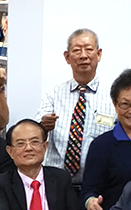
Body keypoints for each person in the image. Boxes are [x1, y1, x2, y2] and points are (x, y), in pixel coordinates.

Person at [37, 29, 116, 184]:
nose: (83, 56)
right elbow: (36, 134)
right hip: (57, 184)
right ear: (67, 57)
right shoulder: (53, 94)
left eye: (89, 49)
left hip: (99, 184)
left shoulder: (114, 95)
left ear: (98, 54)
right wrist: (43, 126)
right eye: (77, 50)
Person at [0, 119, 85, 210]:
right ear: (10, 152)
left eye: (34, 142)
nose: (28, 148)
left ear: (45, 146)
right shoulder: (0, 182)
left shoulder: (61, 178)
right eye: (20, 143)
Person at [82, 69, 131, 210]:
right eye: (125, 104)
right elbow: (88, 190)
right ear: (115, 105)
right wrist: (90, 202)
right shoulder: (101, 145)